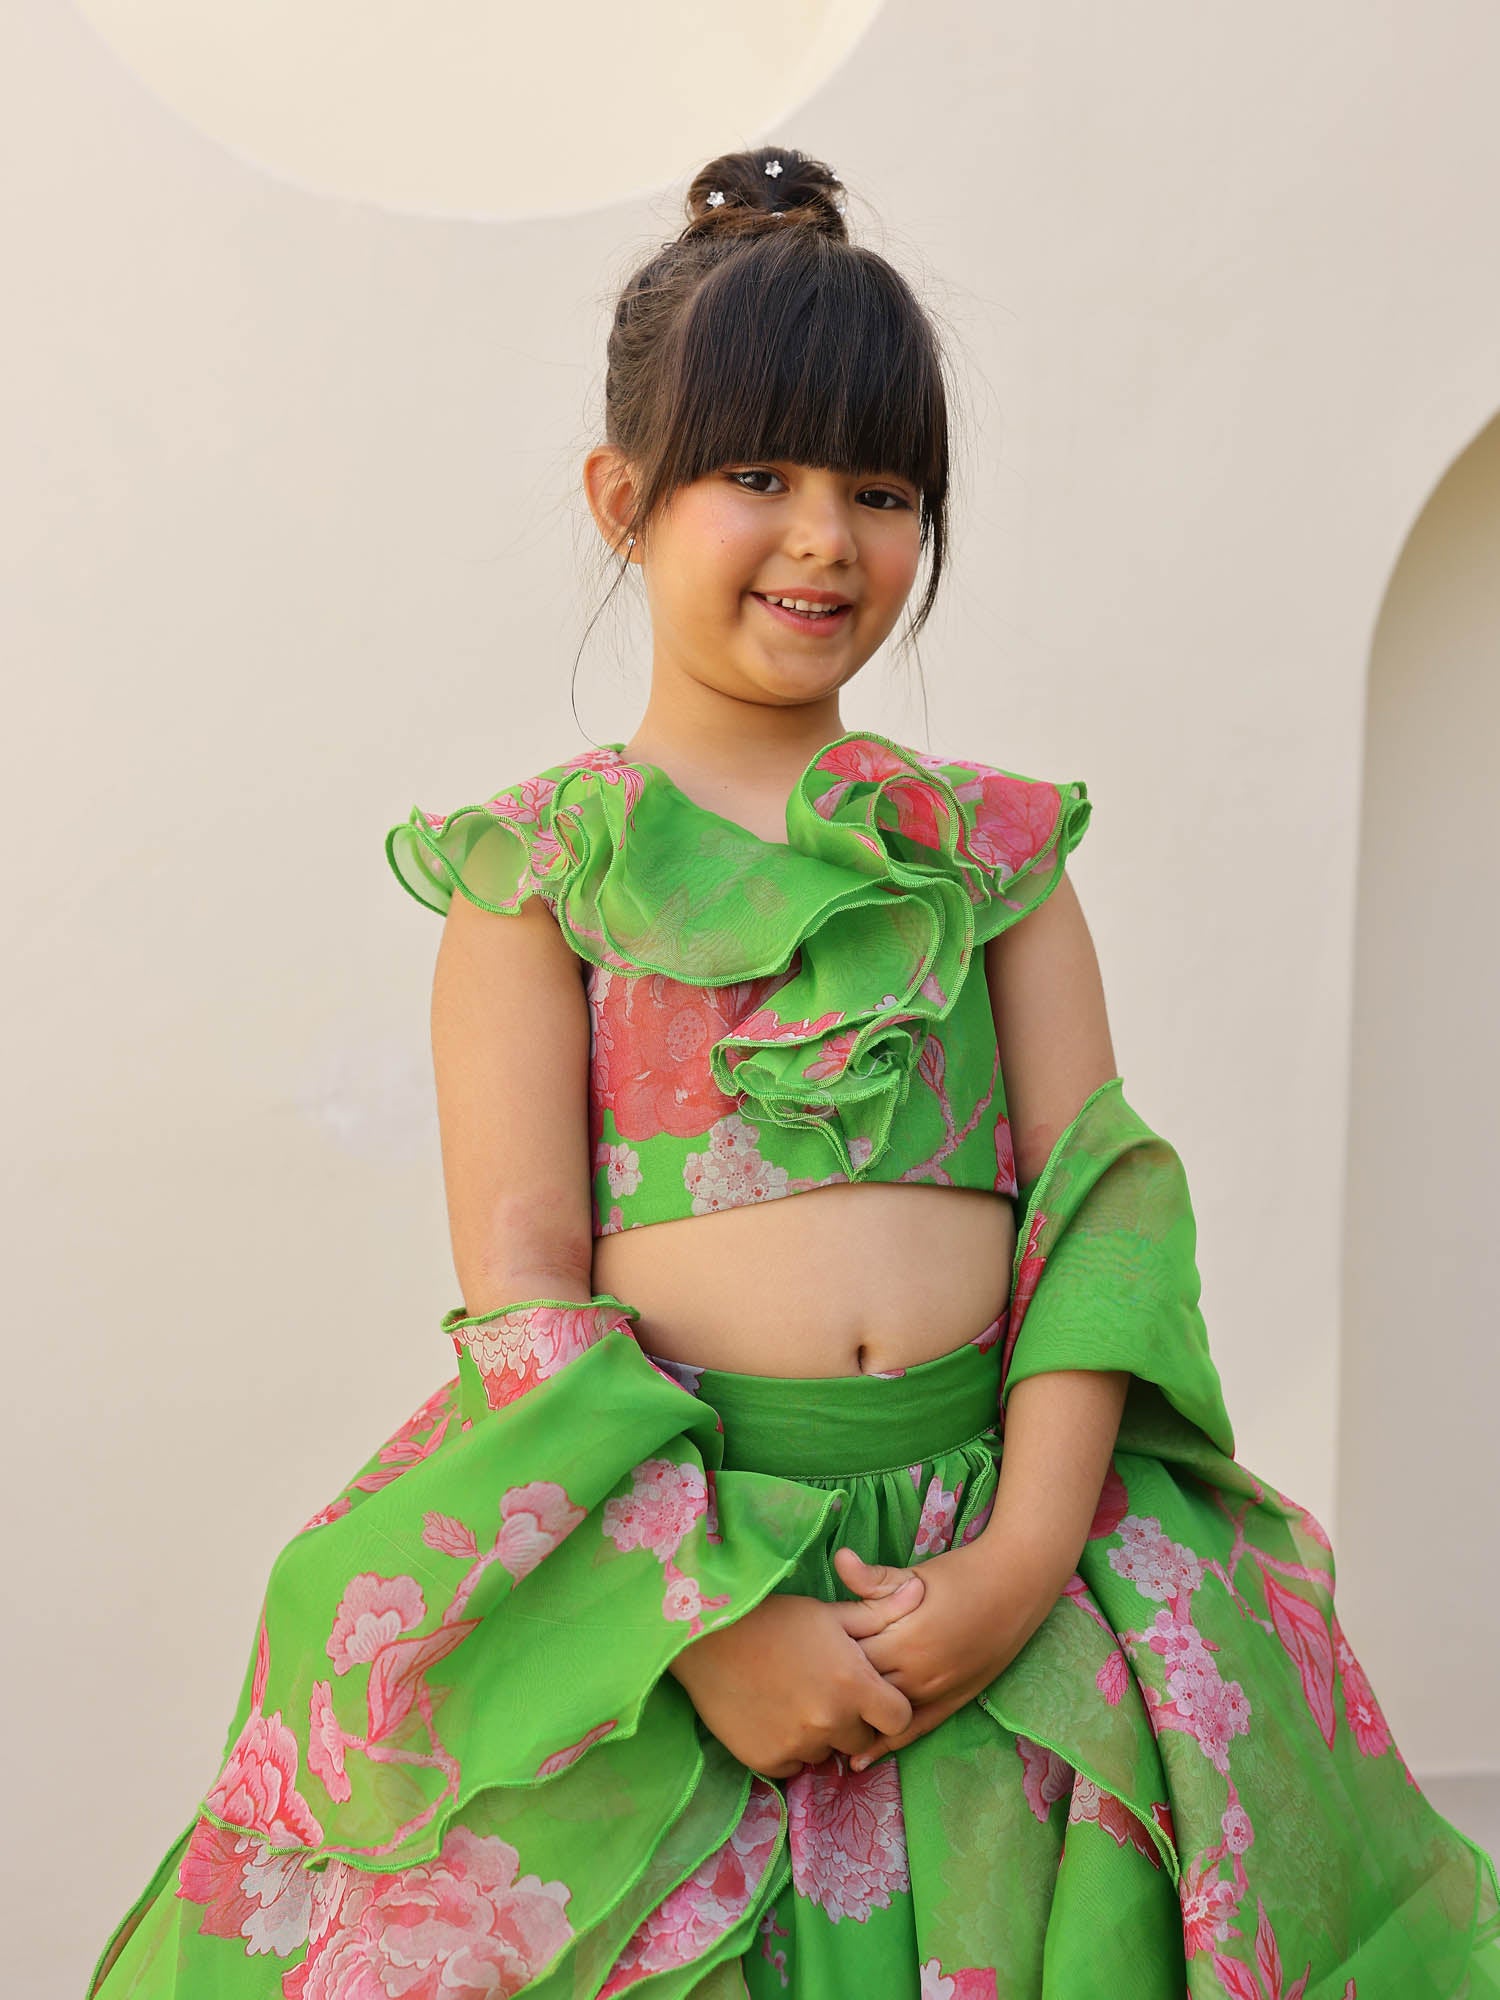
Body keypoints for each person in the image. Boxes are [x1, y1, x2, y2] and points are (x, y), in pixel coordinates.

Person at [87, 144, 1500, 2000]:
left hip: (998, 1547)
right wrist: (702, 1621)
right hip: (677, 1563)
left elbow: (1100, 1206)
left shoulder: (994, 857)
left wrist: (1016, 1564)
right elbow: (527, 1291)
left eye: (885, 488)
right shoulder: (543, 878)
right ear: (624, 499)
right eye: (759, 474)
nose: (828, 536)